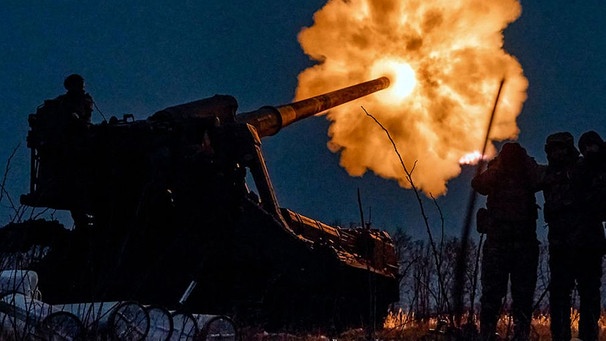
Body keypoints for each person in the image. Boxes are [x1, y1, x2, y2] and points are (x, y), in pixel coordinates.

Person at [472, 142, 541, 341]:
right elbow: (479, 184)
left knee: (522, 296)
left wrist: (523, 163)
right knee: (493, 295)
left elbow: (540, 178)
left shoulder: (528, 173)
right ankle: (488, 333)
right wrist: (499, 166)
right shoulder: (497, 173)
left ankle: (520, 334)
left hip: (521, 246)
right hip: (499, 245)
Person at [539, 131, 604, 341]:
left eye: (562, 148)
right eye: (554, 149)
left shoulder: (585, 168)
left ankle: (589, 336)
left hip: (587, 244)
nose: (558, 153)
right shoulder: (547, 174)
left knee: (590, 295)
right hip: (560, 247)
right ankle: (560, 336)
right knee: (559, 297)